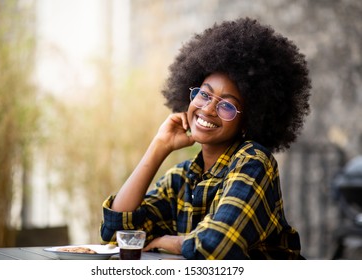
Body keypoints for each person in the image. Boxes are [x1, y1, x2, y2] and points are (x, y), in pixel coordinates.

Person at [100, 17, 311, 259]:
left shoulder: (253, 162)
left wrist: (171, 242)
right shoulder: (181, 179)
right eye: (204, 94)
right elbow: (117, 236)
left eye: (228, 106)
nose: (209, 109)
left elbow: (215, 246)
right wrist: (159, 147)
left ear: (248, 122)